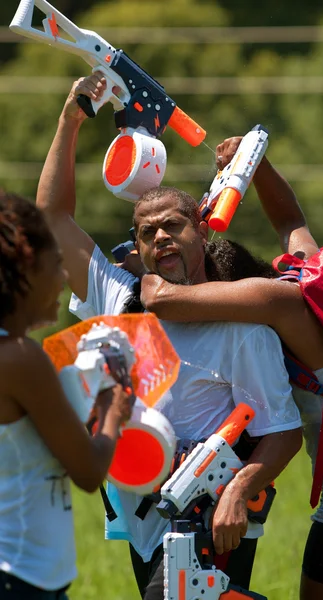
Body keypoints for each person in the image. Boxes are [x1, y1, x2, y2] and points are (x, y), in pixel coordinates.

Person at [36, 73, 304, 599]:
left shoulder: (242, 326)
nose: (161, 236)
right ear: (135, 245)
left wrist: (239, 489)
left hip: (214, 512)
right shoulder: (122, 297)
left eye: (174, 226)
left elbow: (284, 430)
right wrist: (70, 120)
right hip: (139, 512)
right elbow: (50, 219)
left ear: (202, 230)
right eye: (147, 231)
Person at [139, 137, 323, 600]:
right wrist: (254, 166)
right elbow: (290, 220)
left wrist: (149, 274)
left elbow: (163, 299)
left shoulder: (276, 300)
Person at [0, 191, 132, 599]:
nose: (62, 279)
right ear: (26, 266)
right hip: (22, 574)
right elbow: (89, 472)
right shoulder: (21, 361)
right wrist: (113, 410)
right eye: (56, 264)